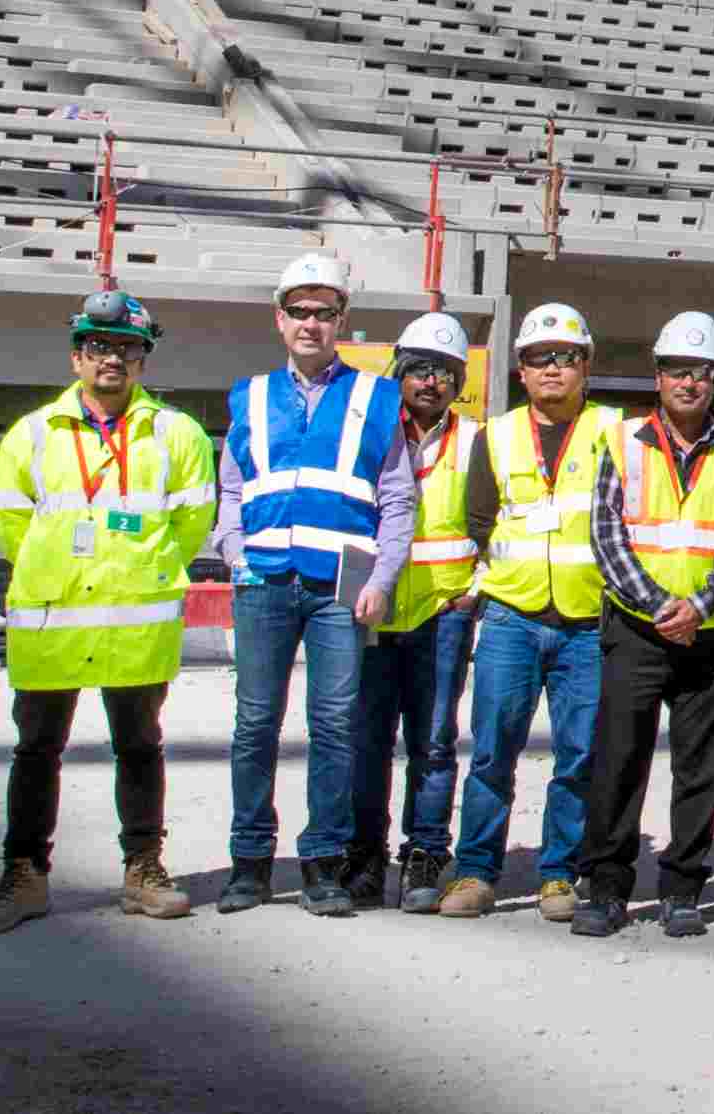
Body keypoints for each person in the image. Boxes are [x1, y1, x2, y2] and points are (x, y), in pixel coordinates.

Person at [0, 291, 215, 936]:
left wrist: (135, 573)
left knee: (139, 747)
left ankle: (143, 868)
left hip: (137, 623)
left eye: (128, 348)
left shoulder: (177, 433)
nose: (113, 359)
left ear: (144, 359)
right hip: (52, 621)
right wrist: (63, 573)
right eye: (99, 347)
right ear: (77, 355)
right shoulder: (33, 433)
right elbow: (11, 524)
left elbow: (193, 524)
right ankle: (23, 874)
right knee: (36, 750)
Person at [213, 251, 411, 916]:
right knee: (254, 725)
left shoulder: (377, 397)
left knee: (334, 726)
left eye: (325, 313)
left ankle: (324, 864)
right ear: (280, 319)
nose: (311, 323)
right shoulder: (250, 394)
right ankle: (249, 864)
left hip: (340, 589)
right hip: (263, 581)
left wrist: (381, 577)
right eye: (299, 311)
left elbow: (397, 498)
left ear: (342, 322)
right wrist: (235, 554)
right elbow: (232, 487)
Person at [437, 302, 619, 922]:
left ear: (586, 366)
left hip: (588, 621)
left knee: (579, 754)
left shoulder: (614, 431)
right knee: (491, 751)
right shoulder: (497, 434)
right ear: (520, 369)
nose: (552, 369)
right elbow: (481, 520)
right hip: (512, 619)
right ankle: (476, 871)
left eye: (565, 358)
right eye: (540, 358)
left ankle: (558, 873)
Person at [572, 311, 714, 938]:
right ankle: (607, 887)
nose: (688, 383)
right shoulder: (622, 441)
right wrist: (657, 606)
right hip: (637, 630)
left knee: (700, 769)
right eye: (677, 370)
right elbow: (607, 533)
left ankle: (682, 889)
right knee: (619, 761)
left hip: (708, 636)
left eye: (701, 372)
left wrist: (698, 607)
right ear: (658, 375)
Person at [357, 312, 483, 914]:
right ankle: (364, 853)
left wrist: (477, 587)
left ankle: (426, 852)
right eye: (420, 370)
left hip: (444, 610)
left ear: (459, 381)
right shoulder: (371, 432)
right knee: (369, 738)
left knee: (433, 741)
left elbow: (498, 522)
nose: (430, 382)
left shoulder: (477, 440)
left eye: (445, 372)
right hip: (374, 610)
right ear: (400, 375)